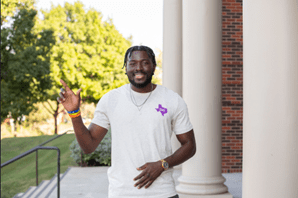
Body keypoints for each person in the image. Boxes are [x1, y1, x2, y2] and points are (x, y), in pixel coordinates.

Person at [57, 45, 196, 198]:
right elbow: (88, 146)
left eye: (145, 62)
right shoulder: (111, 99)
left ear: (154, 66)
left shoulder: (172, 100)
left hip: (163, 193)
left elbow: (190, 145)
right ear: (125, 68)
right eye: (132, 63)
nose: (138, 68)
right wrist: (74, 113)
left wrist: (163, 164)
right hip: (122, 193)